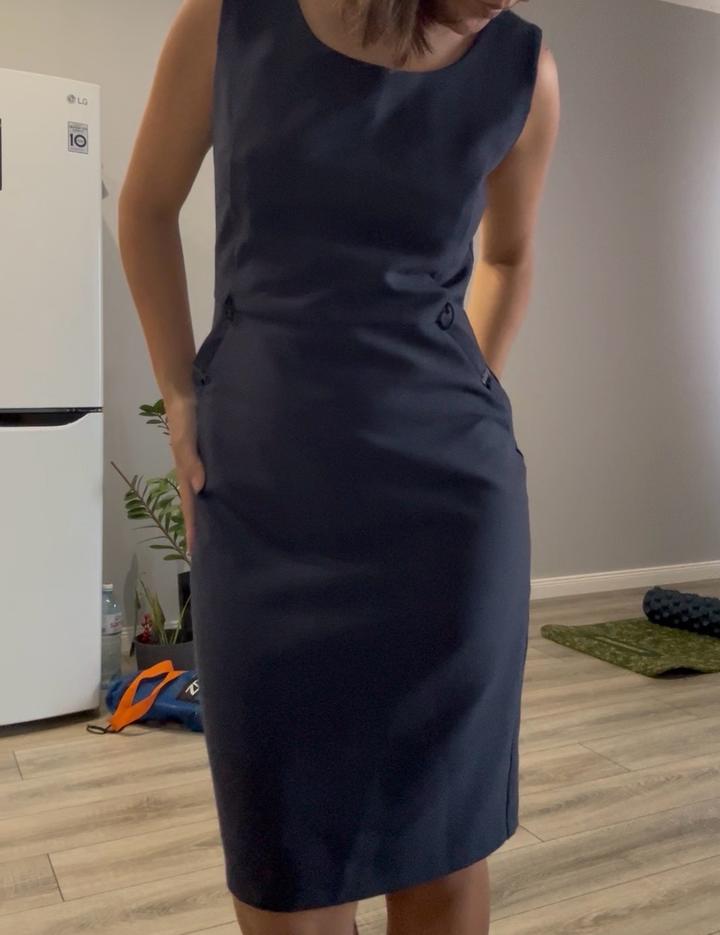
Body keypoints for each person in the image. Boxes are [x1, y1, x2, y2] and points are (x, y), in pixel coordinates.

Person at [118, 0, 560, 932]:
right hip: (264, 502)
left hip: (449, 517)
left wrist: (467, 391)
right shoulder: (230, 20)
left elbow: (511, 257)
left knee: (443, 854)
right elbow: (146, 208)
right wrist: (181, 396)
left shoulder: (525, 72)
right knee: (286, 867)